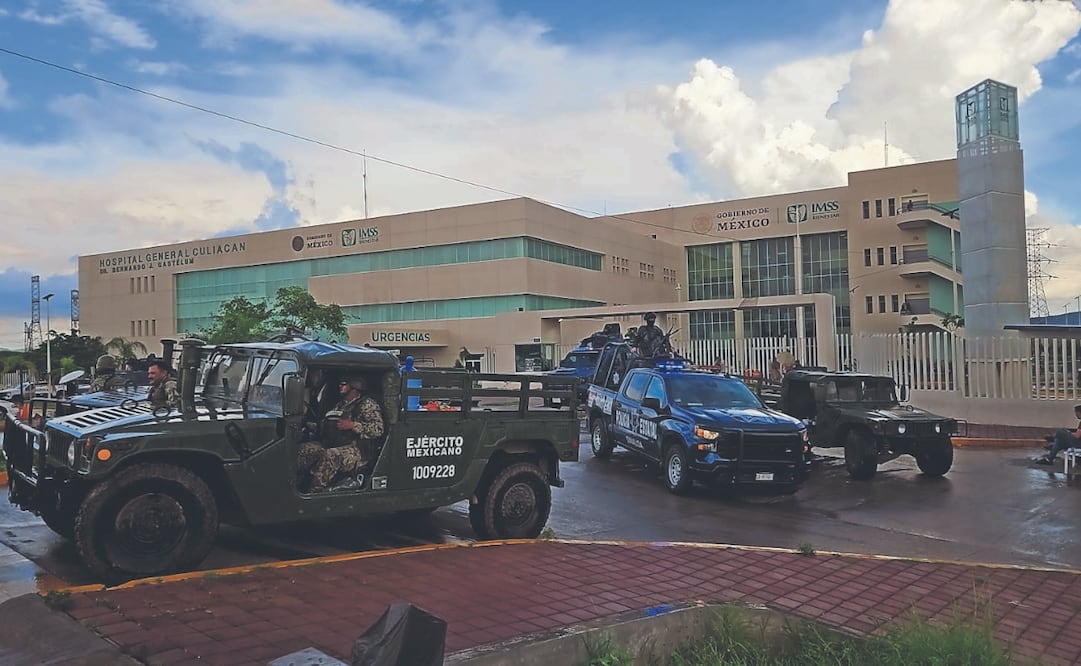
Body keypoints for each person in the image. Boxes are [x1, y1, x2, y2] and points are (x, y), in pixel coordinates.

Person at [298, 377, 385, 492]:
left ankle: (314, 492)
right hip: (336, 443)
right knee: (305, 449)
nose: (340, 386)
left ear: (355, 387)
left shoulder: (367, 405)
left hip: (358, 450)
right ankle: (297, 485)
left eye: (344, 384)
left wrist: (353, 425)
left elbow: (378, 429)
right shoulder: (341, 404)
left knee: (331, 455)